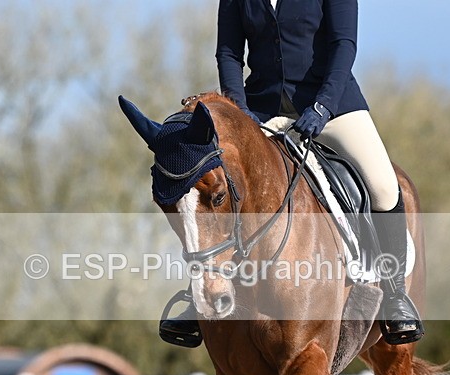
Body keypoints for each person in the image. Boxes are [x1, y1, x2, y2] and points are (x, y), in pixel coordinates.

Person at [162, 0, 423, 346]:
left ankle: (393, 295)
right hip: (260, 109)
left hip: (332, 106)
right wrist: (239, 112)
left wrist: (323, 105)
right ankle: (200, 294)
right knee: (214, 181)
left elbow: (343, 45)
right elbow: (228, 53)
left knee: (385, 187)